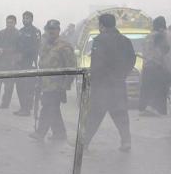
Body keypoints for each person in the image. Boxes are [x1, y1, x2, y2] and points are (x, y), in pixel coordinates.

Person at [83, 13, 136, 151]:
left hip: (102, 85)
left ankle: (84, 142)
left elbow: (97, 64)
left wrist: (92, 79)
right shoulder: (125, 40)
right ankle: (126, 142)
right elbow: (132, 60)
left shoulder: (100, 40)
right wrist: (122, 75)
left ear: (101, 25)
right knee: (120, 113)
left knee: (94, 114)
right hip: (118, 84)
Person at [31, 19, 77, 142]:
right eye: (49, 30)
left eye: (54, 30)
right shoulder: (45, 45)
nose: (51, 32)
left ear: (58, 31)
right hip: (45, 83)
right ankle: (60, 133)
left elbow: (72, 67)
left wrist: (66, 85)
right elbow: (43, 64)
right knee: (53, 109)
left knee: (47, 107)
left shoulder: (64, 46)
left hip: (57, 85)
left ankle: (41, 132)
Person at [138, 16, 169, 116]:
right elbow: (165, 49)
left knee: (149, 88)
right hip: (159, 66)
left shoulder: (151, 36)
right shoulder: (162, 35)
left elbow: (146, 50)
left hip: (150, 66)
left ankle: (146, 108)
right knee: (160, 88)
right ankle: (157, 109)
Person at [13, 10, 41, 116]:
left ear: (32, 19)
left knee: (28, 88)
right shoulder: (20, 31)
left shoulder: (36, 31)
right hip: (19, 63)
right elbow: (16, 46)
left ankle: (27, 109)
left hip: (30, 63)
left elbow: (36, 47)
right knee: (19, 86)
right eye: (24, 18)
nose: (25, 20)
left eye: (27, 18)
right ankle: (22, 107)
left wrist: (23, 54)